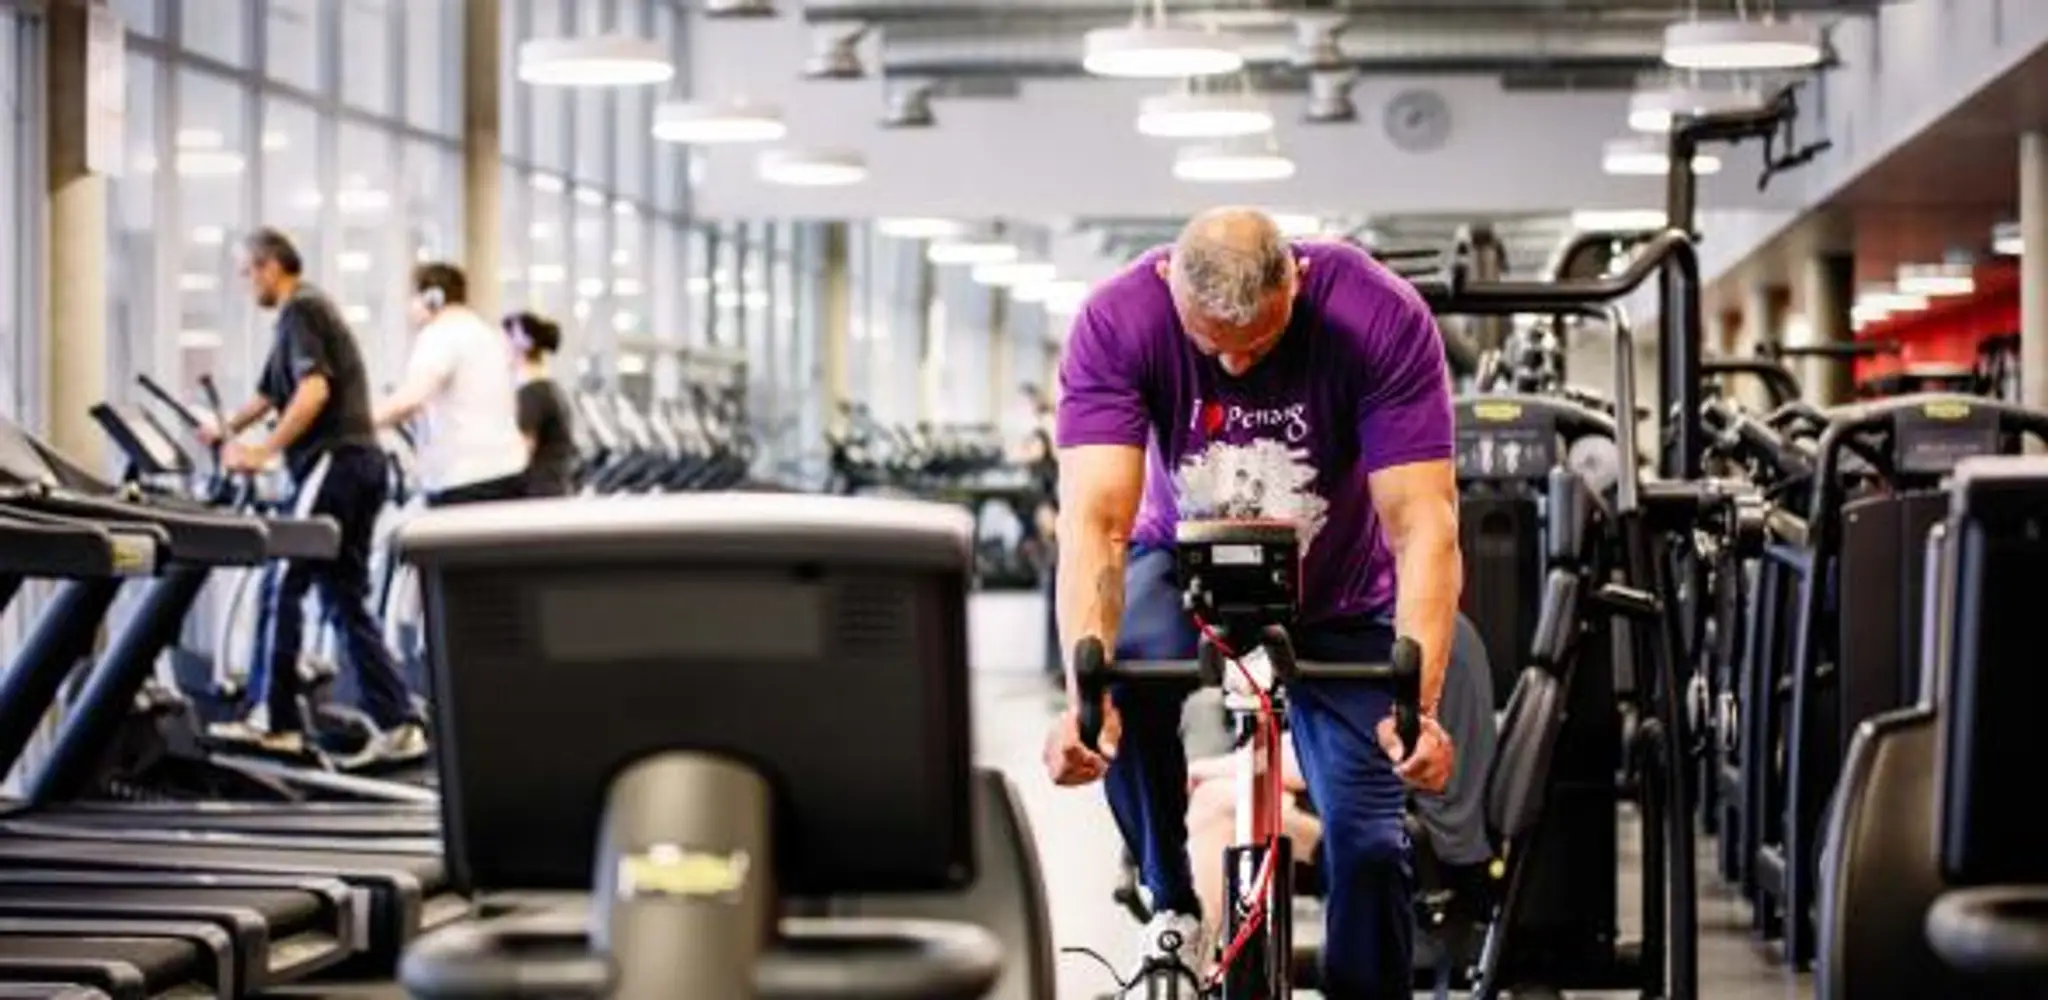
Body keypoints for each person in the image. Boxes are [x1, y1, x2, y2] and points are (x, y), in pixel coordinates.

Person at [1041, 207, 1463, 998]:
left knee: (1371, 851)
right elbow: (1096, 523)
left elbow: (1424, 525)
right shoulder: (1120, 320)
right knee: (1123, 683)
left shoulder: (1376, 315)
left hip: (1339, 592)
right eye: (1212, 347)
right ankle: (1172, 903)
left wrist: (1421, 707)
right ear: (1168, 283)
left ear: (1297, 279)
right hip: (1180, 564)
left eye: (1260, 344)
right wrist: (1082, 703)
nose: (1235, 365)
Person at [201, 227, 423, 759]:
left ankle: (272, 718)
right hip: (358, 462)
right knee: (343, 596)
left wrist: (263, 451)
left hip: (336, 461)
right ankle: (399, 720)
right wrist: (226, 430)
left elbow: (313, 389)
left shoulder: (301, 310)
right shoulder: (304, 315)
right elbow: (268, 393)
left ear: (271, 266)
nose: (245, 283)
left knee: (282, 578)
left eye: (247, 272)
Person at [1184, 613, 1499, 965]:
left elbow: (1339, 754)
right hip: (1435, 828)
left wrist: (1207, 769)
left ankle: (1208, 966)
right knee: (1245, 793)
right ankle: (1226, 961)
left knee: (1217, 804)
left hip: (1422, 847)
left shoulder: (1396, 638)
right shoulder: (1436, 622)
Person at [372, 263, 528, 507]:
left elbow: (412, 398)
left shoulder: (441, 334)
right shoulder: (487, 333)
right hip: (508, 470)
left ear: (432, 298)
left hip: (465, 477)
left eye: (413, 297)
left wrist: (358, 423)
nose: (409, 308)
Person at [504, 311, 579, 497]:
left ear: (521, 345)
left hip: (539, 495)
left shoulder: (532, 392)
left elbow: (521, 453)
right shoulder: (548, 388)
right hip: (552, 491)